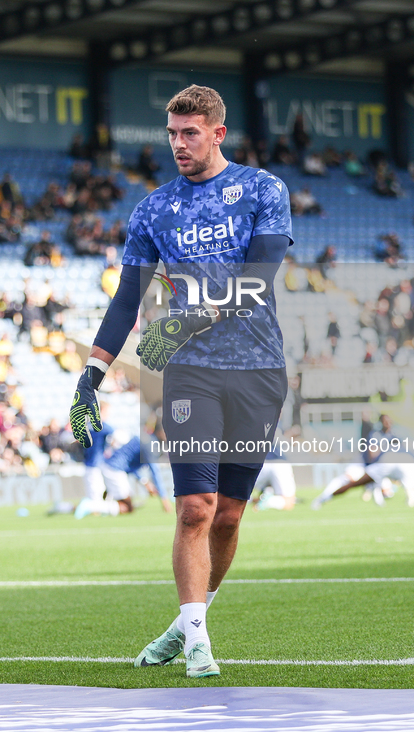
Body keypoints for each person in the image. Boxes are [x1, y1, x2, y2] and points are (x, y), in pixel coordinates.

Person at [68, 85, 292, 678]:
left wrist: (191, 314)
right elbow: (126, 300)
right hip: (191, 372)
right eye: (171, 133)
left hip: (259, 372)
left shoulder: (263, 190)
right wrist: (91, 374)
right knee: (195, 508)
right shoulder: (152, 210)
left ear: (218, 133)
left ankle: (181, 625)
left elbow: (261, 279)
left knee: (229, 517)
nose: (178, 144)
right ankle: (198, 644)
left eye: (189, 133)